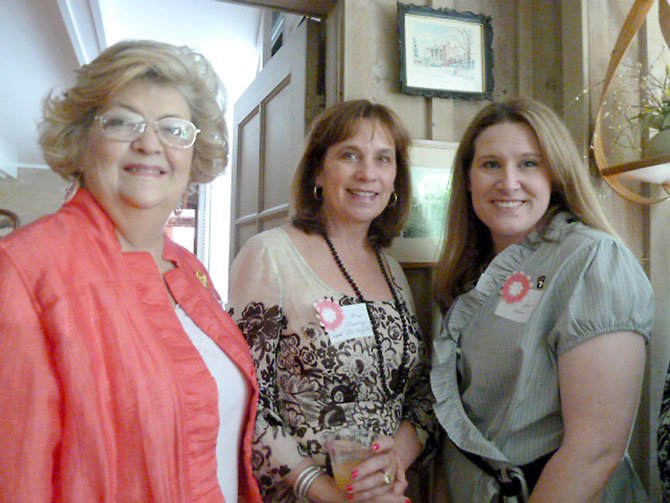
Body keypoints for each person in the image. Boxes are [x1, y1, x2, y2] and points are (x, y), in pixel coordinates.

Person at [0, 40, 262, 502]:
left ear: (192, 155)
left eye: (174, 129)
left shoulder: (190, 269)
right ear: (82, 141)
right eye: (123, 122)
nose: (149, 143)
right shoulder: (24, 271)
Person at [431, 97, 653, 502]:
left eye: (529, 163)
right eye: (491, 164)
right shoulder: (473, 274)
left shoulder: (591, 260)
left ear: (556, 174)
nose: (508, 181)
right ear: (467, 178)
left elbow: (595, 450)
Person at [228, 100, 435, 502]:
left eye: (383, 159)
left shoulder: (392, 271)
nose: (367, 173)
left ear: (396, 178)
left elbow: (421, 396)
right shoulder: (270, 255)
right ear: (318, 171)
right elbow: (247, 400)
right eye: (349, 155)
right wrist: (328, 493)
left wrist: (391, 463)